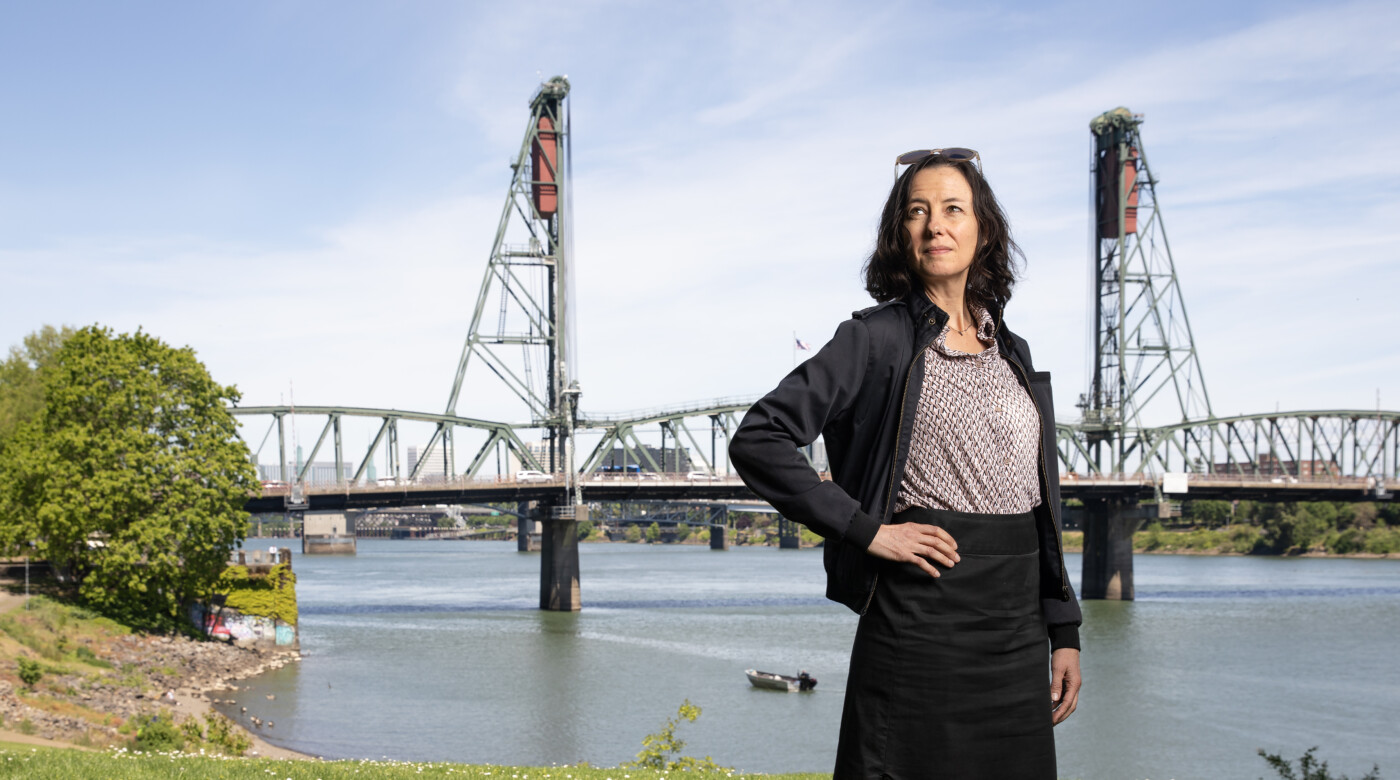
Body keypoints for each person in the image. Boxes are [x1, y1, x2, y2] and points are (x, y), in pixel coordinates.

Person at [729, 147, 1082, 779]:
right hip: (920, 620)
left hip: (1015, 631)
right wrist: (868, 530)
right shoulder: (876, 338)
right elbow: (760, 438)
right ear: (900, 234)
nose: (935, 225)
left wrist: (1064, 630)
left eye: (953, 209)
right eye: (917, 212)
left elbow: (1040, 498)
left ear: (983, 228)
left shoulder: (1015, 353)